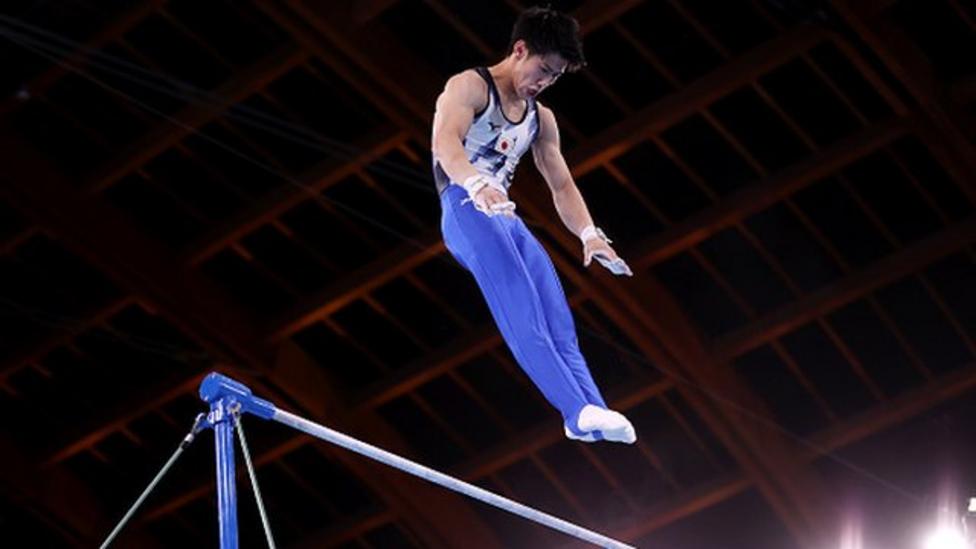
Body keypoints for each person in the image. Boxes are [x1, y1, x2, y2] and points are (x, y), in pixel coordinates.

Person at [431, 6, 636, 444]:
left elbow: (561, 185)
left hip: (505, 218)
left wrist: (589, 234)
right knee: (523, 309)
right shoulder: (469, 86)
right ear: (519, 50)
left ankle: (589, 412)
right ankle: (575, 410)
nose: (545, 82)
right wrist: (474, 182)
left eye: (556, 76)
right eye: (543, 69)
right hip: (465, 209)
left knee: (557, 315)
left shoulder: (541, 120)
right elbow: (445, 144)